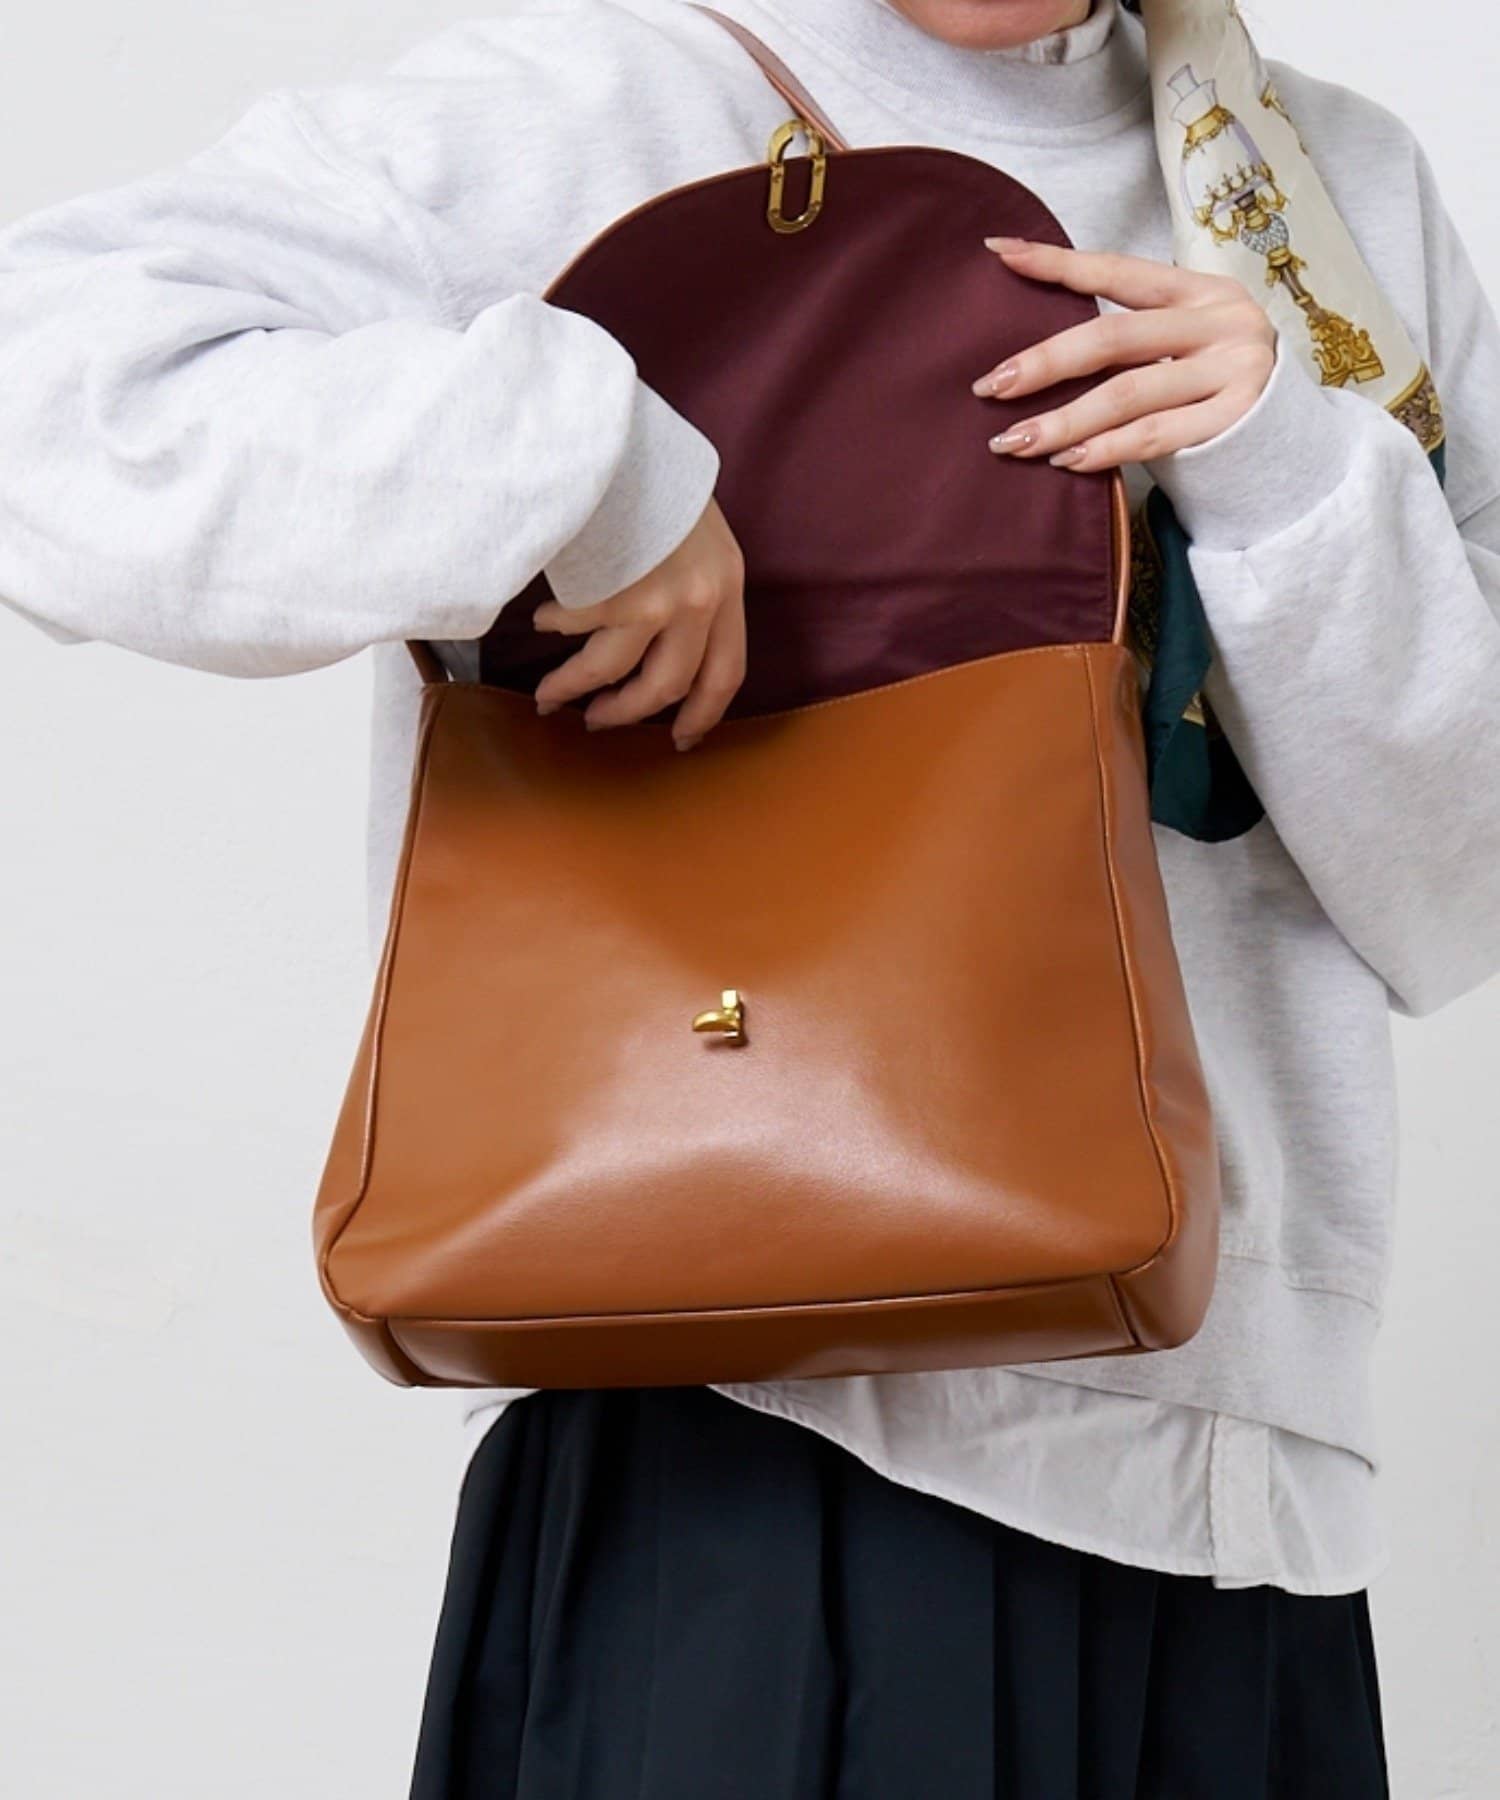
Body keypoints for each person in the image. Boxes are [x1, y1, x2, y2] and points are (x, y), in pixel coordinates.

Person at [2, 0, 1497, 1792]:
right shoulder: (598, 113)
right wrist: (591, 467)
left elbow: (1456, 896)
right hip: (759, 1452)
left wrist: (1292, 473)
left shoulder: (1324, 195)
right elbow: (46, 391)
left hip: (1252, 1516)